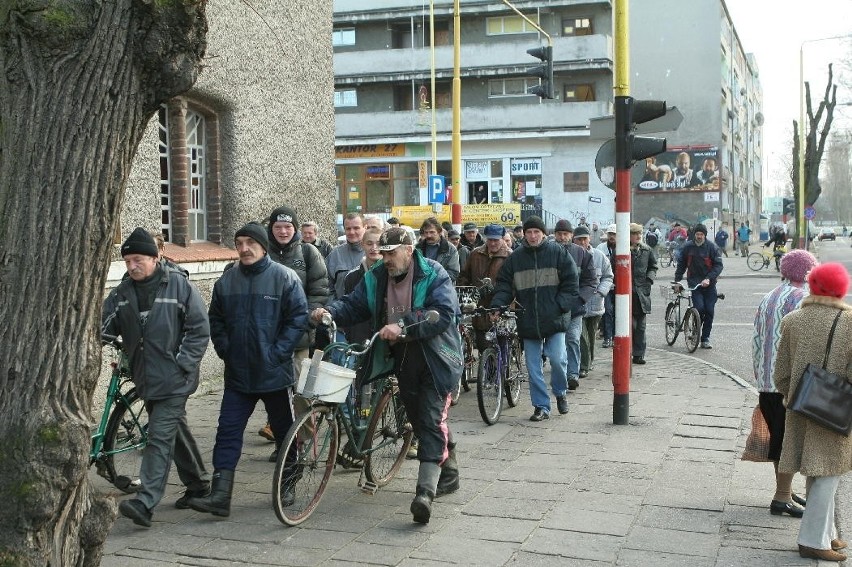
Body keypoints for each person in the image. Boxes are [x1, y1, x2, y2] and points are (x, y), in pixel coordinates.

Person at [311, 227, 463, 524]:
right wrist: (329, 312)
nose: (387, 259)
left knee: (431, 418)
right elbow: (355, 304)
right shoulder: (377, 275)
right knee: (420, 419)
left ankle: (424, 494)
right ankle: (450, 466)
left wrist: (403, 325)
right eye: (383, 253)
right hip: (402, 357)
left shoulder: (433, 273)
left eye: (392, 253)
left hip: (436, 357)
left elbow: (443, 313)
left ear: (409, 249)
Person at [188, 223, 308, 518]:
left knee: (284, 432)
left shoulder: (284, 278)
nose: (243, 248)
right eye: (239, 243)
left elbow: (298, 318)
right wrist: (225, 349)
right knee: (227, 432)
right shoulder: (227, 281)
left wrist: (278, 352)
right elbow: (215, 319)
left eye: (249, 243)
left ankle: (288, 482)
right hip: (238, 374)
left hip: (274, 374)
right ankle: (220, 495)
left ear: (263, 246)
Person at [102, 228, 211, 527]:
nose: (132, 266)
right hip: (146, 377)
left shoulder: (178, 285)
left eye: (137, 259)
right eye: (127, 261)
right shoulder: (121, 293)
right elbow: (104, 327)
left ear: (154, 258)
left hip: (176, 379)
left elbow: (199, 328)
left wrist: (183, 363)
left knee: (159, 437)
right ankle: (200, 484)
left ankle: (146, 502)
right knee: (174, 433)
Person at [773, 262, 852, 562]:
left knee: (817, 472)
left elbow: (780, 374)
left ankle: (826, 533)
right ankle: (812, 541)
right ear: (841, 289)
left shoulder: (793, 320)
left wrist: (794, 394)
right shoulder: (850, 321)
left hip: (801, 405)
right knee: (828, 473)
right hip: (835, 409)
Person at [752, 250, 819, 520]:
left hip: (766, 381)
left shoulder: (769, 296)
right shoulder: (802, 299)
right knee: (789, 441)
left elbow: (757, 337)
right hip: (787, 383)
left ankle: (786, 491)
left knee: (780, 438)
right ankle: (781, 498)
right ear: (807, 273)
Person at [491, 216, 579, 420]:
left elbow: (571, 282)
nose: (532, 236)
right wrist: (497, 305)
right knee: (532, 367)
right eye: (529, 232)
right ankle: (541, 406)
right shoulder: (516, 258)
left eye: (536, 232)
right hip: (528, 319)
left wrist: (560, 306)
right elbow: (504, 284)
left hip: (555, 318)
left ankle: (560, 392)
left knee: (558, 360)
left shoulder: (558, 252)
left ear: (543, 233)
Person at [260, 206, 329, 458]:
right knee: (275, 394)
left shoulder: (309, 253)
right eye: (278, 227)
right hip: (269, 338)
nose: (283, 231)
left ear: (296, 229)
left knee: (301, 392)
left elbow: (319, 291)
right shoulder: (263, 252)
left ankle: (305, 443)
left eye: (288, 227)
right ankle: (284, 443)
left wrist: (307, 320)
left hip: (299, 337)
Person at [554, 219, 597, 391]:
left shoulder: (582, 254)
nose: (562, 237)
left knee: (572, 338)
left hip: (575, 308)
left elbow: (590, 281)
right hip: (553, 307)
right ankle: (560, 371)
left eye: (566, 234)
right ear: (555, 235)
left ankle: (573, 374)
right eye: (559, 234)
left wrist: (580, 299)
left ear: (571, 236)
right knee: (556, 343)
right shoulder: (547, 252)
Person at [457, 223, 511, 355]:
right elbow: (464, 276)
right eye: (490, 240)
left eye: (496, 240)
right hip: (480, 305)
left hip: (502, 306)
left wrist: (499, 292)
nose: (492, 243)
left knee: (501, 344)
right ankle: (486, 371)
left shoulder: (509, 256)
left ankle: (501, 372)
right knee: (483, 345)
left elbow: (514, 282)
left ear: (502, 239)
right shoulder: (475, 254)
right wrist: (467, 294)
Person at [674, 223, 723, 349]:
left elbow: (718, 265)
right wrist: (677, 281)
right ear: (694, 234)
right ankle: (695, 332)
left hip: (709, 284)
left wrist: (709, 278)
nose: (699, 236)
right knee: (699, 309)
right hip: (694, 284)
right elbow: (682, 264)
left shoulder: (712, 247)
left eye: (701, 234)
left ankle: (705, 338)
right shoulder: (688, 247)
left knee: (709, 311)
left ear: (705, 235)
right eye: (697, 234)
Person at [574, 226, 613, 379]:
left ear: (589, 239)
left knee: (591, 334)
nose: (582, 242)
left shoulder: (599, 256)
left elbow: (608, 276)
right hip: (578, 303)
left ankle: (589, 361)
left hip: (596, 303)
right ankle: (583, 365)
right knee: (581, 335)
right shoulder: (571, 255)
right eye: (579, 239)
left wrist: (602, 291)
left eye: (585, 238)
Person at [629, 223, 657, 364]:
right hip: (628, 293)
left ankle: (639, 354)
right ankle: (629, 351)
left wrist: (649, 279)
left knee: (641, 326)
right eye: (635, 234)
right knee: (631, 326)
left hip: (642, 293)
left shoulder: (647, 250)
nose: (638, 236)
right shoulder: (622, 250)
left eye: (640, 233)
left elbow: (653, 266)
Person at [326, 213, 365, 300]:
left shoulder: (373, 252)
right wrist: (334, 306)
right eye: (348, 229)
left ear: (365, 228)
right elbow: (326, 287)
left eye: (356, 228)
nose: (351, 232)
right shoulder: (335, 254)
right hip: (341, 310)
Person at [416, 217, 460, 283]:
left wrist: (433, 280)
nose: (428, 235)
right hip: (422, 289)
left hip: (443, 289)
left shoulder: (450, 249)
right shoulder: (418, 248)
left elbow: (453, 272)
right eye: (426, 232)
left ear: (439, 232)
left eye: (432, 232)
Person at [596, 224, 617, 348]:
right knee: (607, 310)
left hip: (620, 285)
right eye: (610, 234)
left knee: (618, 312)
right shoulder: (600, 248)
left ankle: (615, 336)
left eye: (614, 234)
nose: (612, 237)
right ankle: (607, 337)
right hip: (605, 284)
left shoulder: (623, 248)